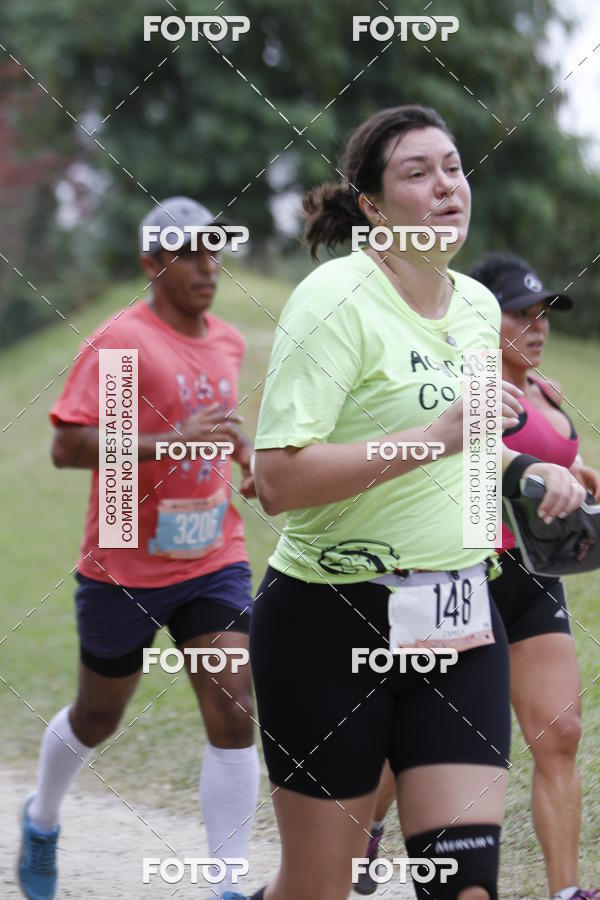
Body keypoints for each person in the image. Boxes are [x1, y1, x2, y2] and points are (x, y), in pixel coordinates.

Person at [222, 106, 585, 900]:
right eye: (417, 173)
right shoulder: (334, 299)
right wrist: (434, 436)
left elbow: (471, 448)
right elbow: (278, 480)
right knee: (317, 888)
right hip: (331, 621)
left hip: (459, 620)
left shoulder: (477, 308)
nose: (446, 185)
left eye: (453, 167)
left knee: (465, 888)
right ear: (374, 207)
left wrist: (534, 475)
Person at [17, 197, 260, 900]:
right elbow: (71, 447)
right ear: (152, 265)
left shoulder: (227, 342)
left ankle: (225, 884)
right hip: (125, 559)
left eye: (214, 251)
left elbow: (214, 427)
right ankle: (42, 817)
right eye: (188, 254)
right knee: (97, 717)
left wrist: (241, 453)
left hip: (213, 555)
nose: (207, 267)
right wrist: (170, 441)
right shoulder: (124, 344)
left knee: (234, 706)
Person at [471, 253, 600, 900]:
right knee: (457, 741)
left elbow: (549, 456)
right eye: (519, 314)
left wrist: (578, 476)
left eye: (542, 312)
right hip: (469, 573)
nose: (537, 326)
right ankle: (372, 820)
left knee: (561, 733)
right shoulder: (471, 386)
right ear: (480, 318)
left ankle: (566, 893)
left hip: (534, 576)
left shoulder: (543, 389)